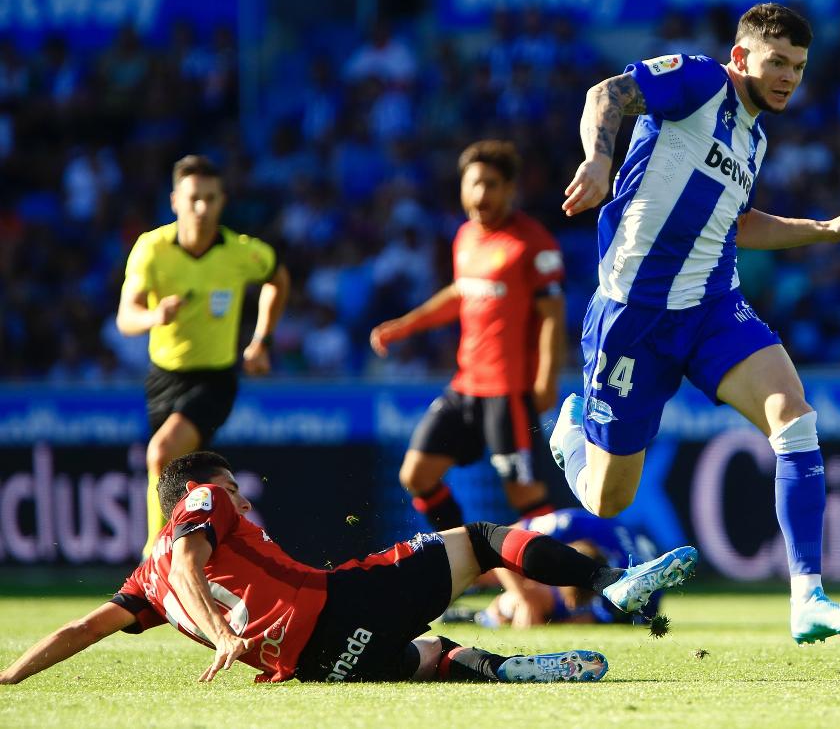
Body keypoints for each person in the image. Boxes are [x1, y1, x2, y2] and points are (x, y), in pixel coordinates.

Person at [555, 3, 840, 645]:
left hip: (711, 306)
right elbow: (606, 94)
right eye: (777, 62)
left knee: (793, 415)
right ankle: (572, 440)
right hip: (634, 315)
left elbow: (738, 223)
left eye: (798, 67)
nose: (788, 77)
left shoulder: (754, 139)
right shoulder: (701, 81)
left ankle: (808, 599)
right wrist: (597, 160)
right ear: (741, 57)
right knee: (608, 499)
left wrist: (825, 230)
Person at [0, 451, 698, 686]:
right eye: (234, 488)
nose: (242, 499)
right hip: (338, 606)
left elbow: (80, 629)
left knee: (429, 655)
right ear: (198, 492)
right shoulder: (201, 502)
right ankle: (609, 582)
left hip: (317, 666)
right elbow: (187, 557)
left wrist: (11, 676)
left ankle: (504, 668)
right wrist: (221, 633)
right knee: (485, 538)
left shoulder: (140, 583)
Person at [370, 140, 565, 529]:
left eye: (491, 184)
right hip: (464, 387)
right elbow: (461, 292)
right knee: (416, 475)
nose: (480, 194)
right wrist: (406, 325)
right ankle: (465, 555)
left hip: (509, 391)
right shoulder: (465, 237)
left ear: (510, 189)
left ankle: (563, 565)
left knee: (524, 495)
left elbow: (552, 316)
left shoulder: (533, 243)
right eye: (473, 183)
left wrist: (547, 379)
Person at [116, 155, 290, 557]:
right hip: (163, 377)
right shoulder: (152, 249)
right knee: (182, 478)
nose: (201, 207)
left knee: (161, 453)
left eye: (210, 198)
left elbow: (278, 278)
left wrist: (262, 340)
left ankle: (153, 556)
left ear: (222, 201)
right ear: (175, 200)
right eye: (193, 198)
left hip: (215, 378)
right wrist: (154, 316)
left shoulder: (240, 252)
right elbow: (126, 317)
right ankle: (211, 555)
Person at [451, 508, 663, 628]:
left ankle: (486, 616)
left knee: (517, 601)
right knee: (490, 562)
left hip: (624, 595)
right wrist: (525, 597)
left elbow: (590, 619)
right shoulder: (573, 524)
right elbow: (501, 539)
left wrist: (536, 615)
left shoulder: (638, 597)